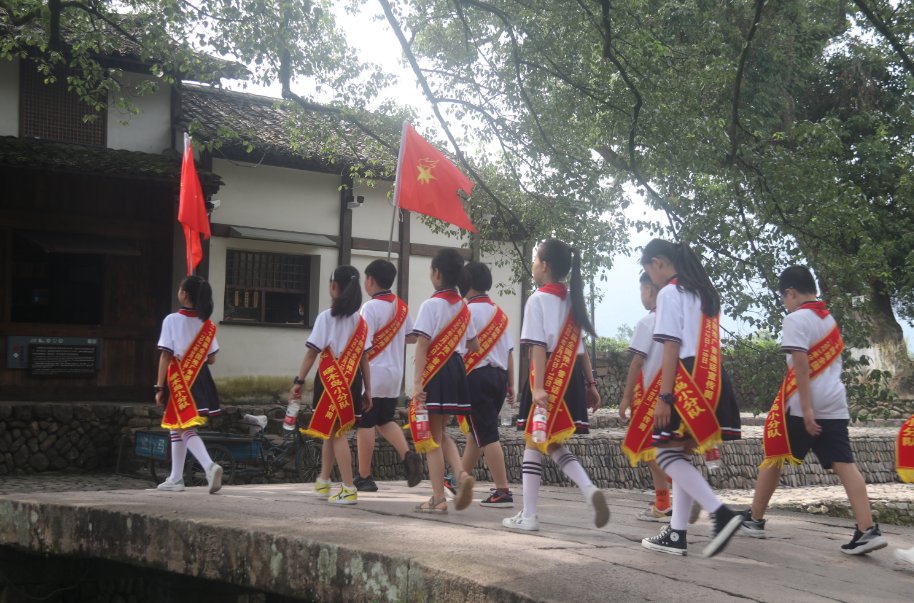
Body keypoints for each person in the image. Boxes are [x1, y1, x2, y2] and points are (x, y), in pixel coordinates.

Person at [741, 266, 887, 555]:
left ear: (791, 293)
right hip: (834, 402)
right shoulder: (828, 319)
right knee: (845, 463)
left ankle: (754, 519)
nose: (785, 303)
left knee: (774, 456)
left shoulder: (795, 319)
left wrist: (807, 410)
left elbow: (801, 367)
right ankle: (867, 529)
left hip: (803, 405)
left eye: (784, 297)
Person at [638, 239, 743, 557]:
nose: (651, 282)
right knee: (679, 454)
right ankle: (677, 533)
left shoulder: (671, 292)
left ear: (658, 263)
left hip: (687, 378)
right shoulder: (702, 292)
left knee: (666, 454)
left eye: (649, 273)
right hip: (712, 376)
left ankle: (721, 513)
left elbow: (671, 346)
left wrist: (664, 396)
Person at [503, 239, 609, 531]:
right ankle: (588, 489)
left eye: (536, 260)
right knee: (553, 444)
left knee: (533, 442)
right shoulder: (572, 299)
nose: (534, 265)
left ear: (545, 265)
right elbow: (581, 347)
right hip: (571, 377)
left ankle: (530, 516)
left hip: (546, 375)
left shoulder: (537, 299)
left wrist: (537, 388)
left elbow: (536, 347)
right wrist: (591, 383)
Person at [291, 265, 372, 505]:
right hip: (352, 381)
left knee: (337, 434)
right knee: (330, 432)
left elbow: (312, 353)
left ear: (334, 285)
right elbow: (364, 359)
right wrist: (369, 390)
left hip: (330, 381)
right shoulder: (360, 322)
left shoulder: (326, 317)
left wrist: (298, 380)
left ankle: (348, 487)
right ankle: (324, 481)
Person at [409, 248, 480, 513]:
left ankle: (438, 498)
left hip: (435, 372)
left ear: (437, 273)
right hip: (456, 370)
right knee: (441, 433)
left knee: (432, 440)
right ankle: (461, 475)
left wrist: (417, 384)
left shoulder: (431, 305)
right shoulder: (463, 306)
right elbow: (474, 345)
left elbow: (422, 344)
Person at [354, 259, 423, 491]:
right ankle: (407, 455)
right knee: (385, 419)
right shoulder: (401, 307)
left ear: (371, 280)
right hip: (395, 374)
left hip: (373, 372)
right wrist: (394, 336)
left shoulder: (369, 308)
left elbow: (362, 343)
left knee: (366, 423)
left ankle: (364, 476)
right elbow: (413, 337)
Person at [154, 275, 224, 494]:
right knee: (178, 425)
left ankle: (209, 466)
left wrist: (158, 386)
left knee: (184, 426)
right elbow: (211, 358)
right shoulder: (207, 324)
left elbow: (165, 355)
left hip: (179, 379)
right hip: (200, 378)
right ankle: (175, 478)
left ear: (184, 294)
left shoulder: (171, 320)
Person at [457, 261, 516, 507]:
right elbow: (509, 351)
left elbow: (458, 348)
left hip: (476, 378)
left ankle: (502, 490)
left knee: (488, 434)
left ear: (465, 283)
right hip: (499, 378)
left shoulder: (465, 311)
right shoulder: (498, 313)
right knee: (476, 433)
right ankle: (458, 478)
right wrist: (512, 384)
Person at [621, 273, 676, 521]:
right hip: (671, 395)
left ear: (649, 290)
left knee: (648, 449)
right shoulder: (675, 321)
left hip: (650, 397)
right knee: (657, 449)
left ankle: (675, 484)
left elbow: (636, 362)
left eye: (642, 290)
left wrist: (624, 398)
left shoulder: (647, 323)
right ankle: (662, 503)